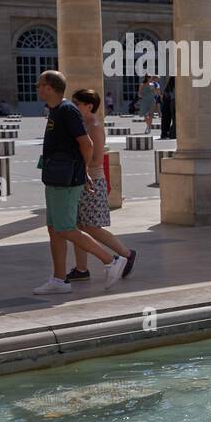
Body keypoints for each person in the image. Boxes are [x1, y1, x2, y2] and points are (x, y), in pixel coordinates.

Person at [32, 71, 127, 294]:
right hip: (55, 177)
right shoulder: (56, 110)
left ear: (49, 87)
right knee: (54, 229)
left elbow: (87, 144)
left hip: (66, 180)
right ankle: (58, 279)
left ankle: (111, 261)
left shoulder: (66, 110)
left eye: (40, 84)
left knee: (65, 228)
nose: (37, 88)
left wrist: (82, 170)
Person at [68, 89, 136, 284]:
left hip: (92, 180)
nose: (73, 106)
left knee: (91, 226)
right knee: (78, 225)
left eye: (76, 103)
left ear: (88, 106)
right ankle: (81, 269)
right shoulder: (81, 124)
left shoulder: (95, 126)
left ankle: (126, 254)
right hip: (80, 178)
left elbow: (97, 159)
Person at [159, 74, 176, 140]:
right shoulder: (177, 79)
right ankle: (172, 133)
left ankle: (165, 133)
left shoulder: (172, 81)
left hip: (169, 100)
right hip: (172, 100)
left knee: (166, 118)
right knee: (174, 118)